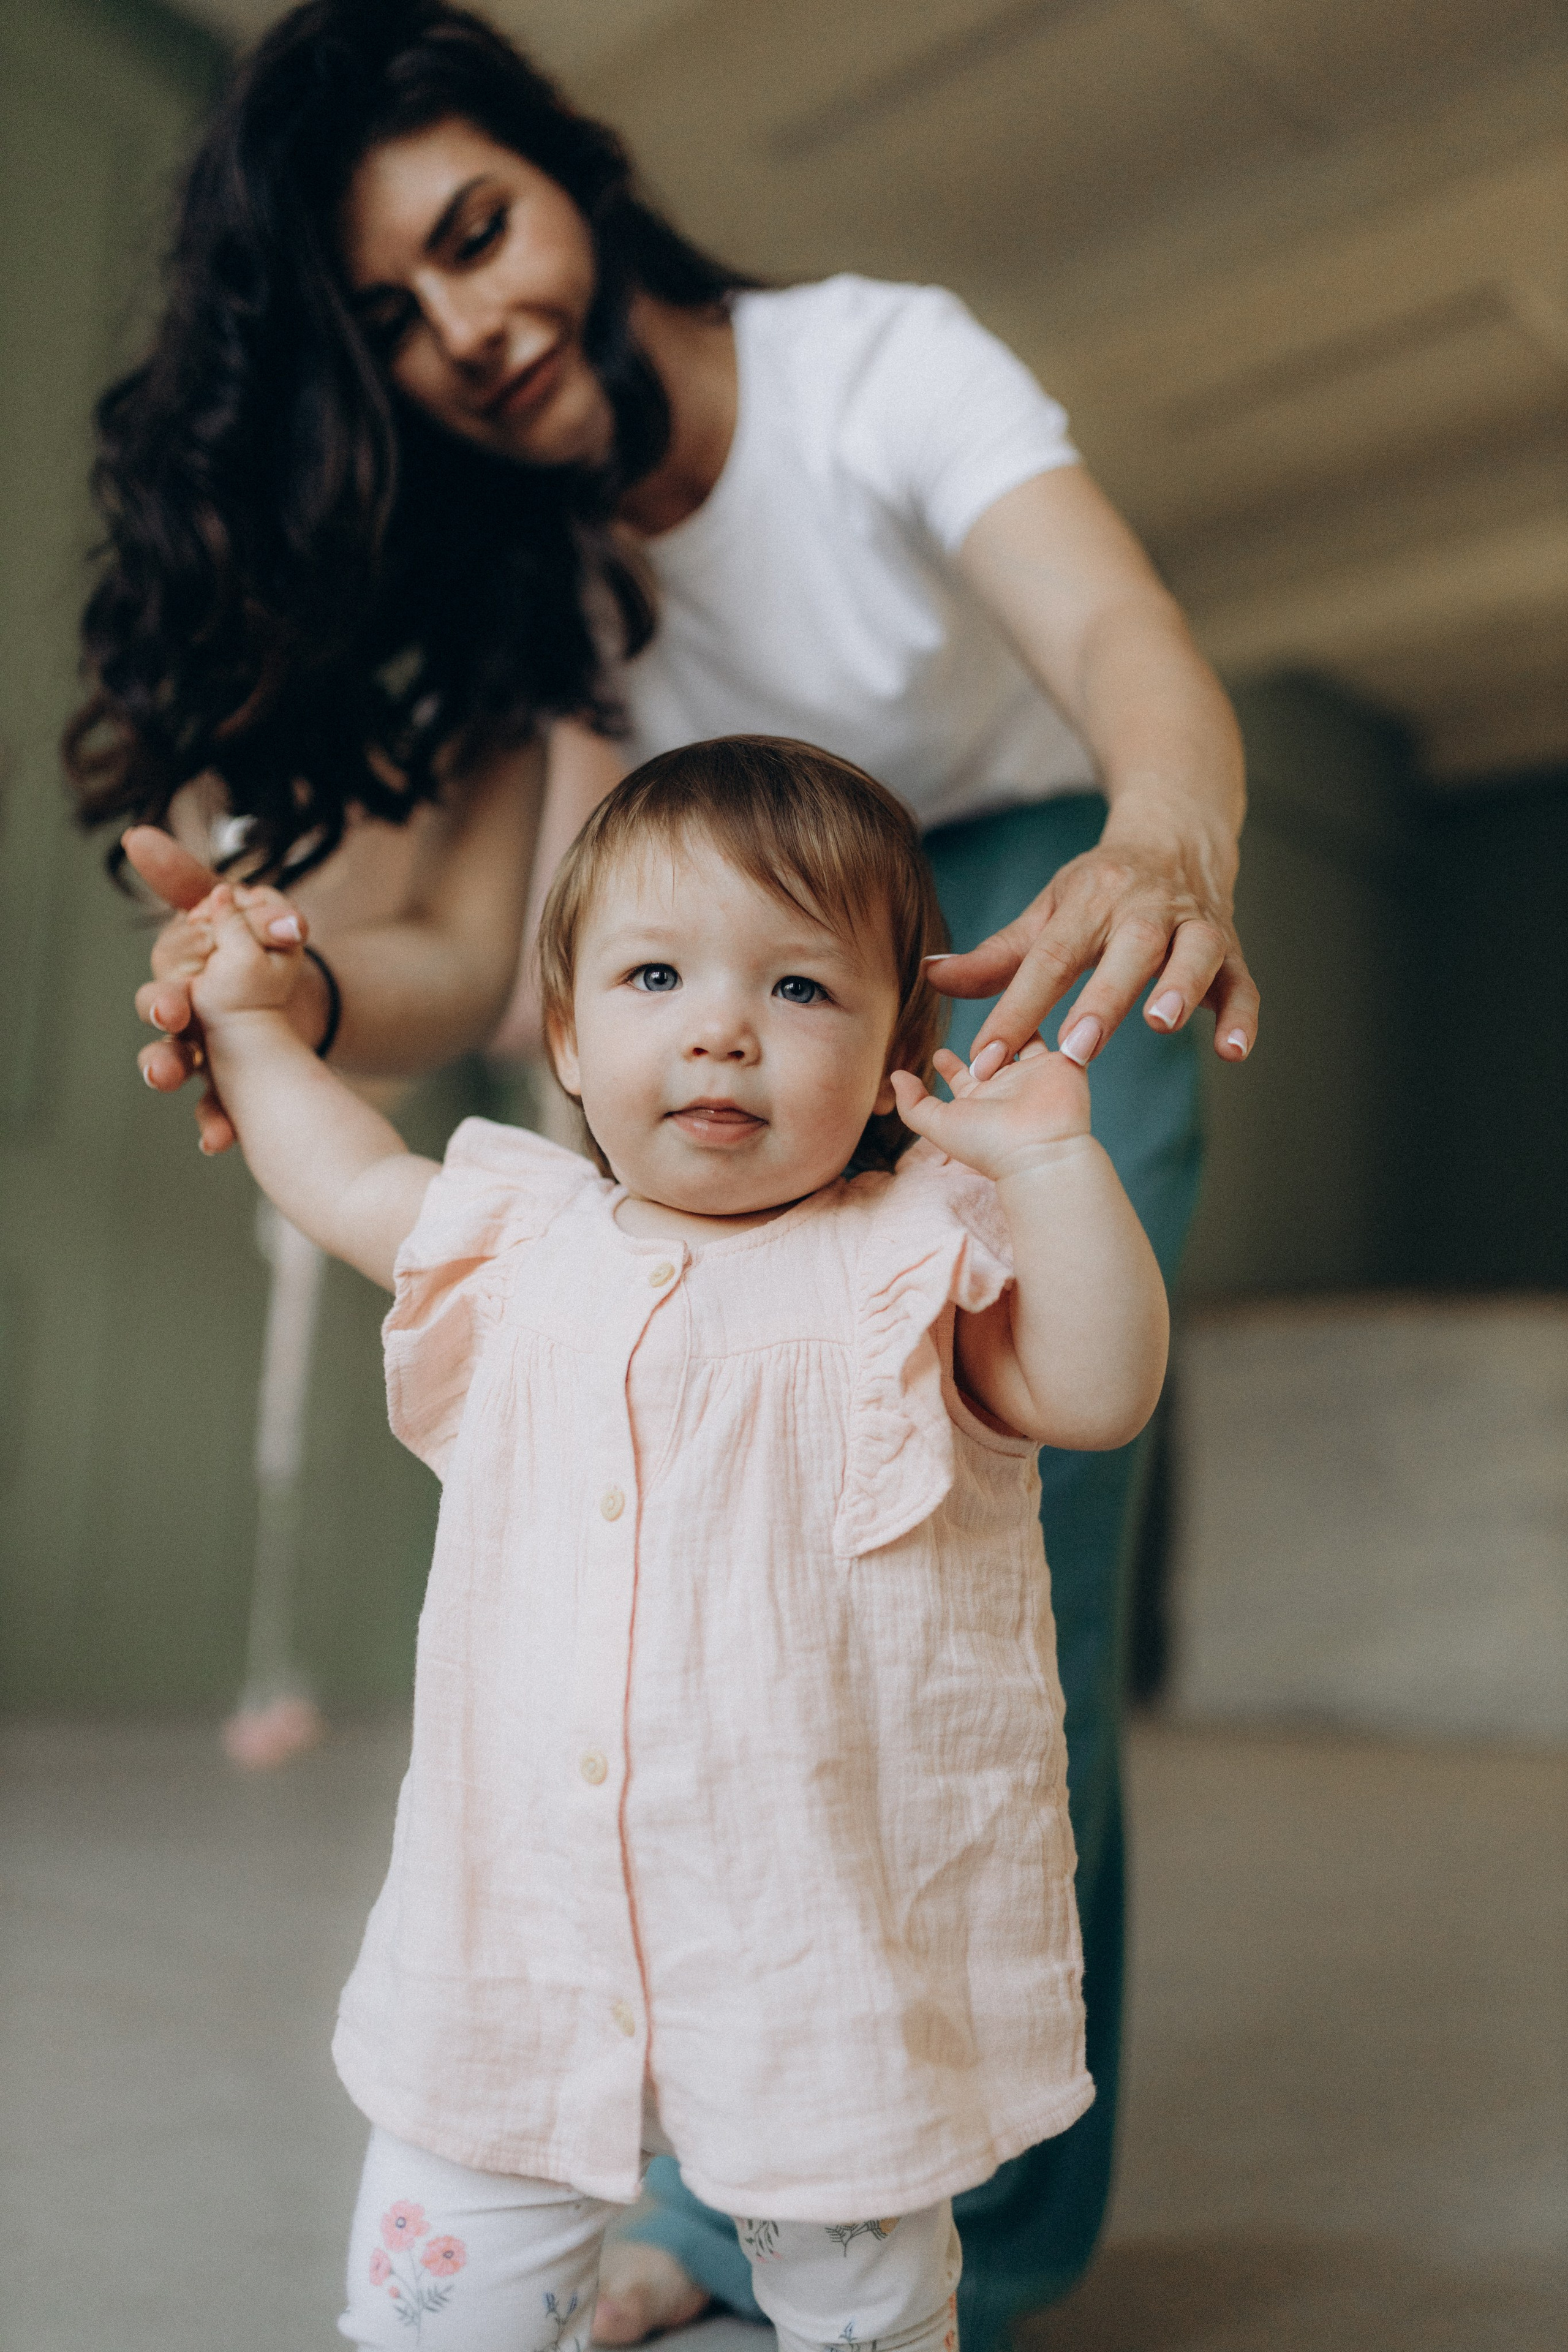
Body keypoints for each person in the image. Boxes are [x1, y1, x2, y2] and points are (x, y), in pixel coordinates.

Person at [67, 6, 1257, 2342]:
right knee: (721, 1616)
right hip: (734, 944)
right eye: (393, 321)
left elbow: (1125, 637)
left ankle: (956, 2230)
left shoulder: (868, 370)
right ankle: (720, 2185)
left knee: (1001, 1581)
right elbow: (504, 961)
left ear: (574, 173)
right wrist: (283, 991)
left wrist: (1171, 832)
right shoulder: (571, 589)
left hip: (1026, 899)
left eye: (476, 234)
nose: (469, 328)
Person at [175, 737, 1169, 2352]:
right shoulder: (520, 1240)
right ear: (565, 1031)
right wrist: (246, 1021)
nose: (722, 1026)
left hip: (818, 1944)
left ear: (895, 1057)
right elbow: (346, 1167)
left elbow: (1101, 1387)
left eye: (800, 991)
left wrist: (1052, 1163)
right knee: (439, 2312)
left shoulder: (915, 1257)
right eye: (657, 973)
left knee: (864, 2310)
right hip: (518, 1938)